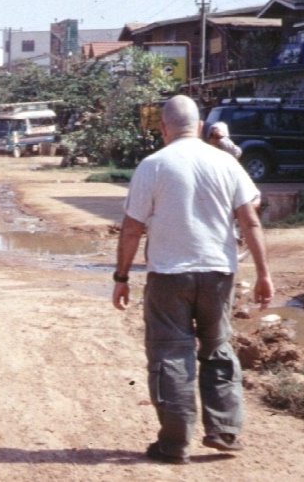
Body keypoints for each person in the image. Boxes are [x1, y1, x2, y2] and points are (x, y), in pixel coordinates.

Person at [112, 95, 273, 465]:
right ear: (200, 127)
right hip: (218, 274)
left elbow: (132, 228)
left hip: (169, 276)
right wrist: (264, 274)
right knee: (217, 349)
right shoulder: (226, 162)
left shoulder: (153, 165)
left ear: (163, 129)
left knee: (171, 354)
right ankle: (225, 431)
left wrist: (122, 277)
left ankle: (175, 444)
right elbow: (250, 219)